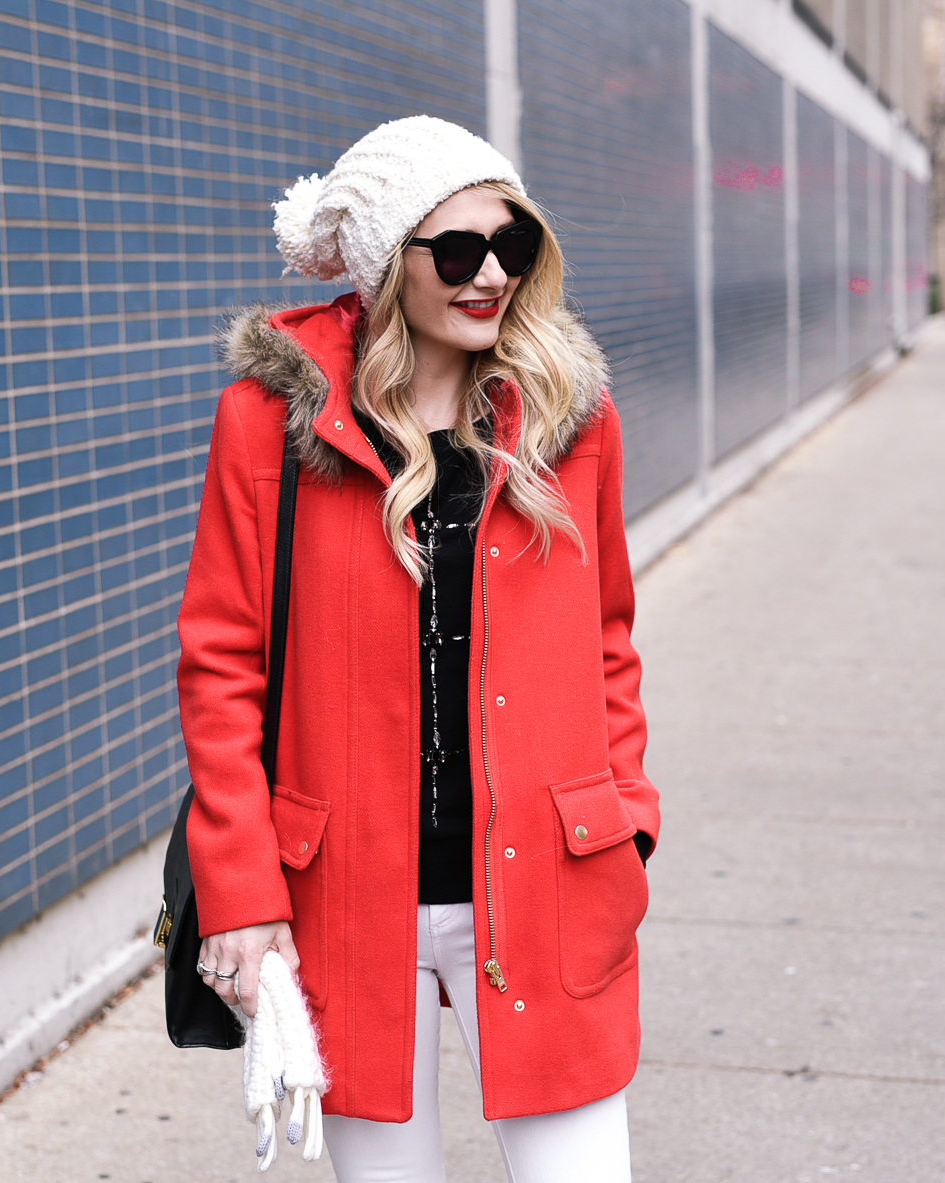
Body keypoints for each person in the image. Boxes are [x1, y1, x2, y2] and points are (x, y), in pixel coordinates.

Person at [176, 115, 659, 1183]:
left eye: (513, 246)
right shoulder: (271, 424)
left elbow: (608, 637)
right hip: (350, 896)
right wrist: (247, 894)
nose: (492, 275)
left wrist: (627, 820)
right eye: (458, 251)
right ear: (387, 267)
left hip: (549, 885)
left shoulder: (571, 417)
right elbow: (221, 667)